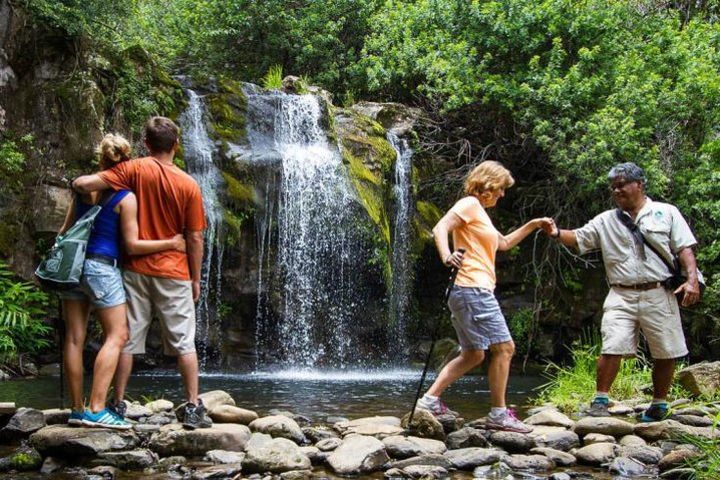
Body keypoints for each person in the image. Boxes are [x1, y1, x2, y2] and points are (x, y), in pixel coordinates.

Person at [72, 117, 211, 429]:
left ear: (146, 145)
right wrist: (196, 277)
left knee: (127, 340)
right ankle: (192, 405)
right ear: (176, 145)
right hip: (174, 272)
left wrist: (79, 188)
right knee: (184, 343)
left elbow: (88, 184)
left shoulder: (133, 169)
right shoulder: (189, 184)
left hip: (133, 270)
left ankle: (118, 402)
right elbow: (195, 237)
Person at [548, 162, 701, 421]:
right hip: (621, 293)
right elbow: (580, 237)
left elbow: (684, 248)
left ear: (639, 185)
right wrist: (555, 232)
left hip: (659, 291)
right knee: (612, 345)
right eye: (613, 187)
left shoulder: (666, 212)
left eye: (622, 185)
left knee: (666, 350)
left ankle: (659, 404)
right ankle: (600, 400)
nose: (617, 191)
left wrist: (692, 280)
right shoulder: (606, 220)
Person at [417, 160, 552, 433]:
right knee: (504, 348)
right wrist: (446, 255)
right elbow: (440, 228)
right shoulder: (469, 204)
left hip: (469, 291)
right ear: (489, 184)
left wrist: (533, 224)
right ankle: (498, 414)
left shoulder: (479, 212)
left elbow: (503, 243)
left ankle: (429, 400)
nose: (503, 195)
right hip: (472, 289)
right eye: (501, 188)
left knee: (474, 354)